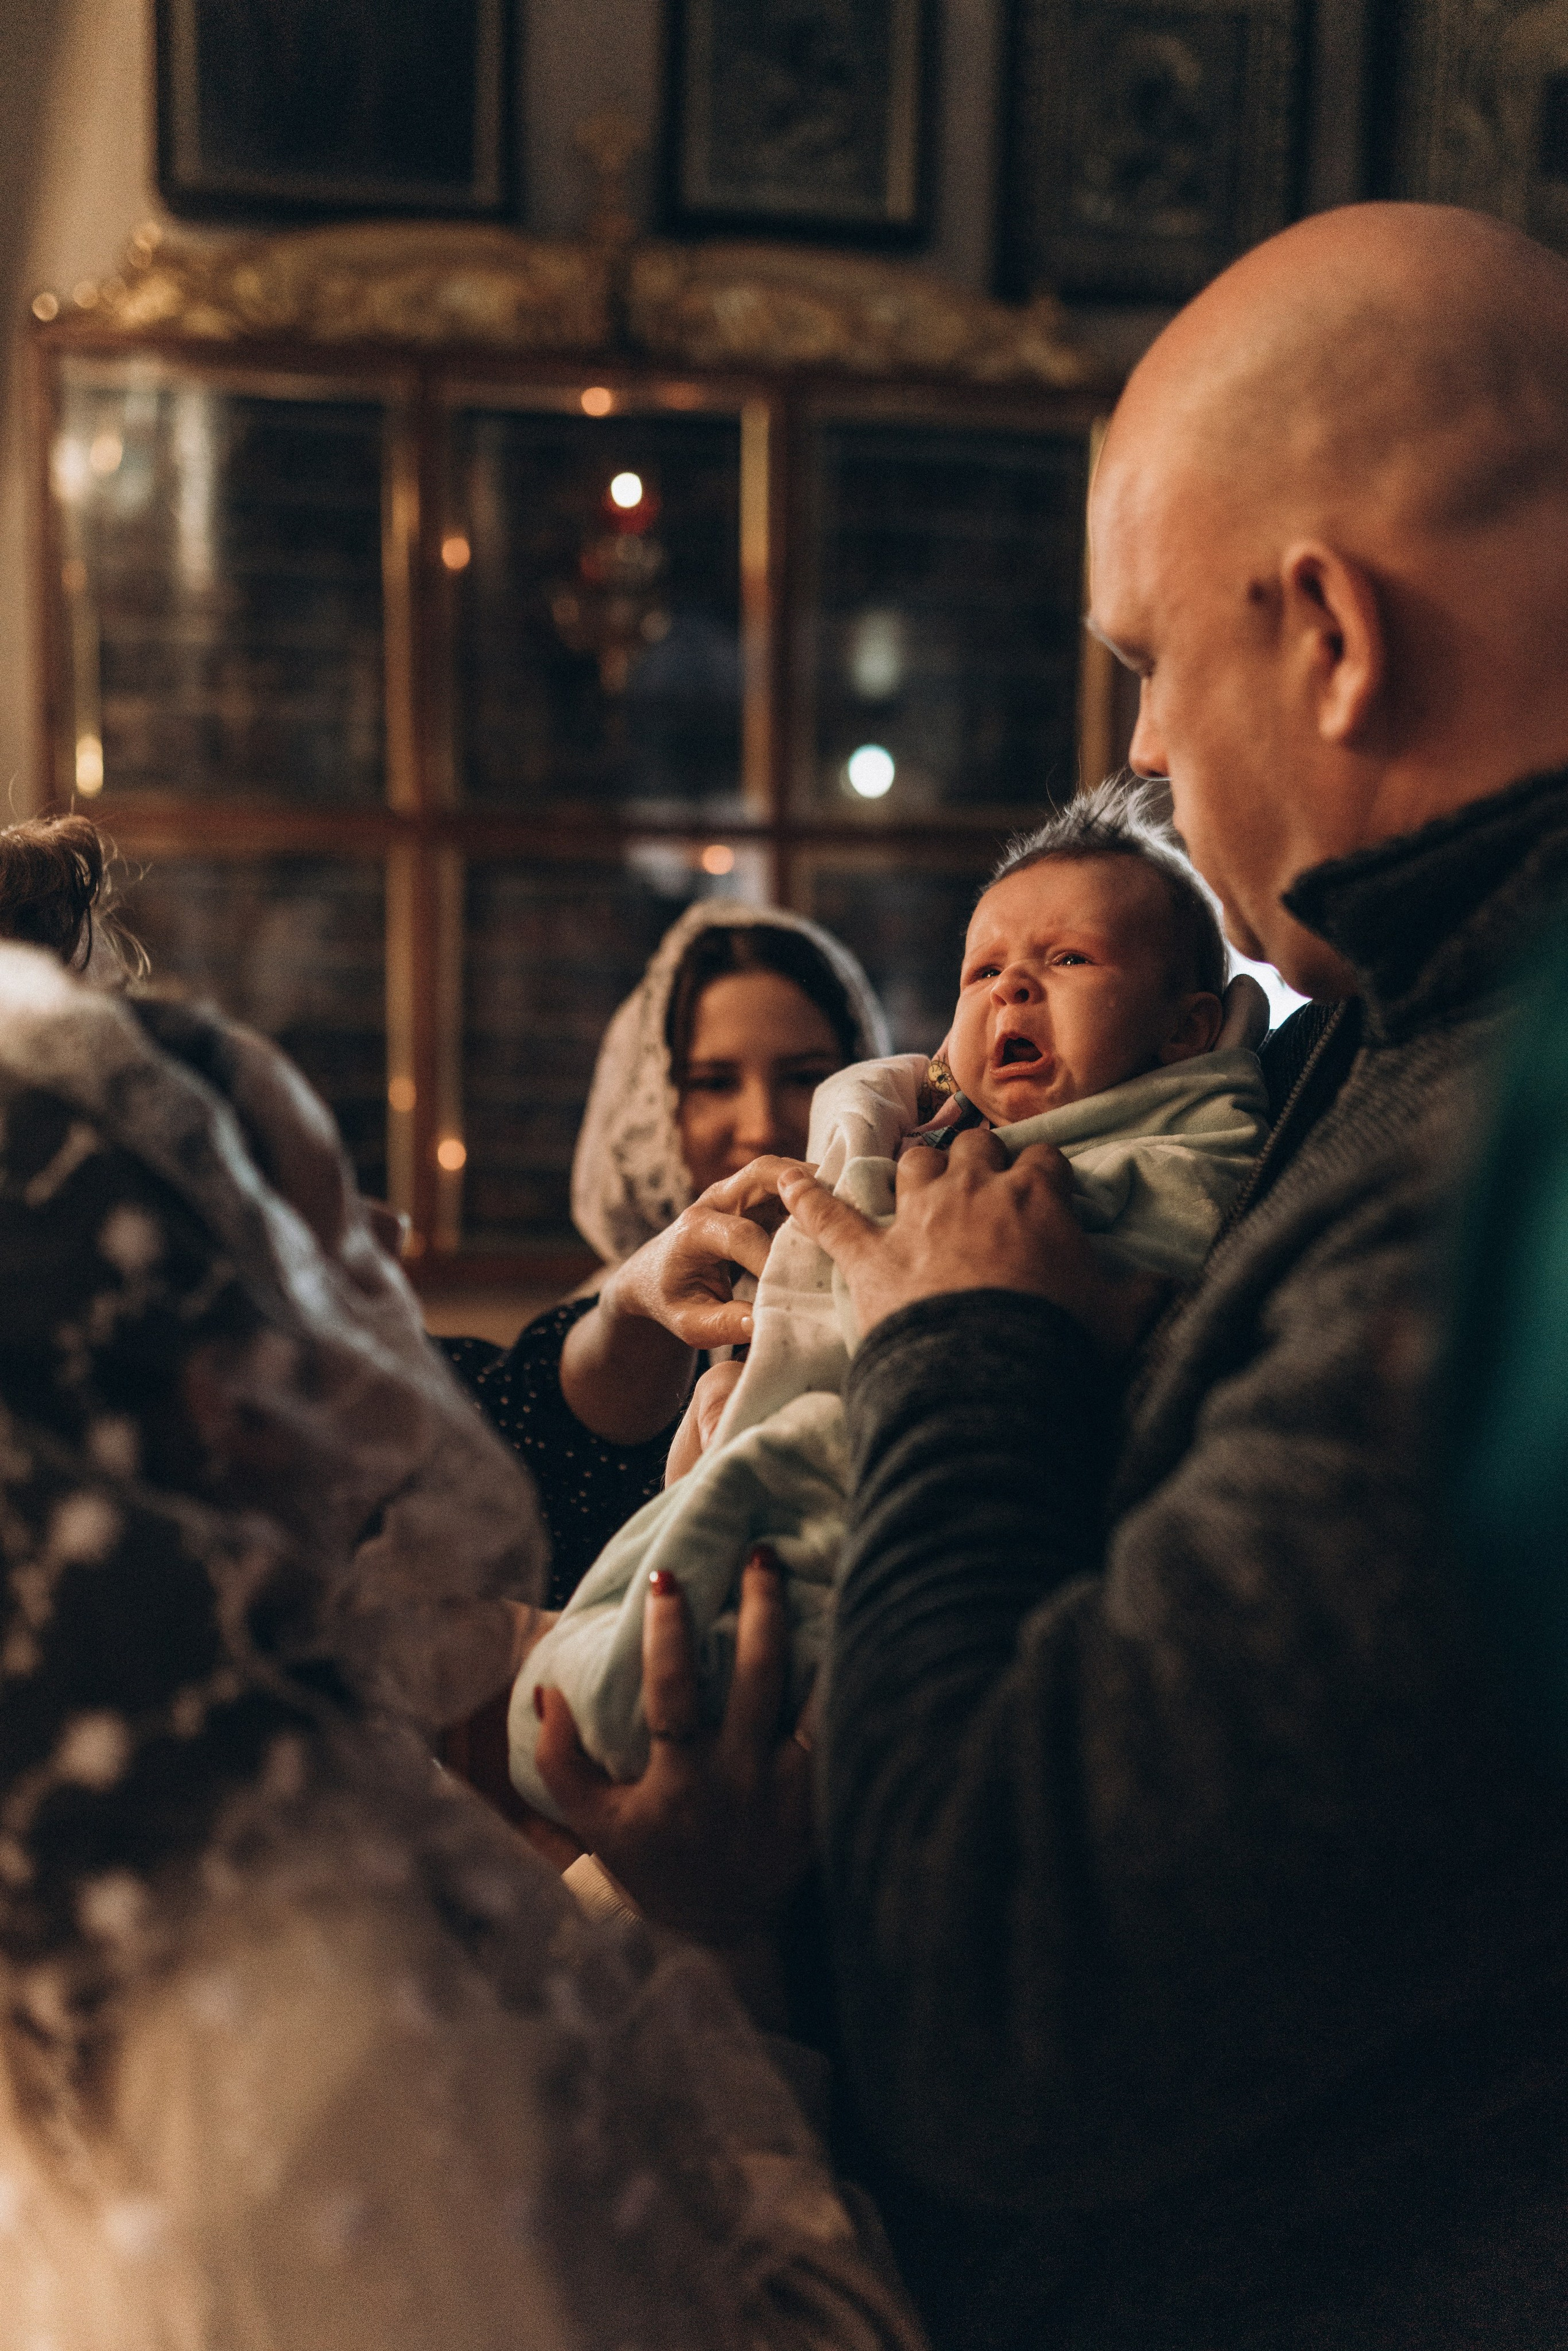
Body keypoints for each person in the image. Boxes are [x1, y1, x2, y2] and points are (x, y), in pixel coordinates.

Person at [532, 202, 1568, 2350]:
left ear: (1333, 634)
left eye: (1152, 663)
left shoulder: (1498, 1150)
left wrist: (970, 1348)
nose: (1161, 753)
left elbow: (1017, 1997)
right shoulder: (1411, 1022)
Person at [0, 937, 925, 2351]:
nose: (385, 1227)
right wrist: (704, 1921)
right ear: (230, 1405)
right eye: (328, 1228)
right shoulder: (312, 2054)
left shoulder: (228, 1736)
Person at [513, 783, 1271, 1816]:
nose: (1012, 991)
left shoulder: (1137, 1158)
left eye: (1069, 960)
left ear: (1186, 1029)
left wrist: (864, 1120)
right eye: (984, 971)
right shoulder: (652, 1292)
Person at [445, 900, 887, 1608]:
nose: (762, 1122)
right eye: (714, 1083)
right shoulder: (588, 1351)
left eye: (804, 1076)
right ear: (657, 1101)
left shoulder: (908, 1283)